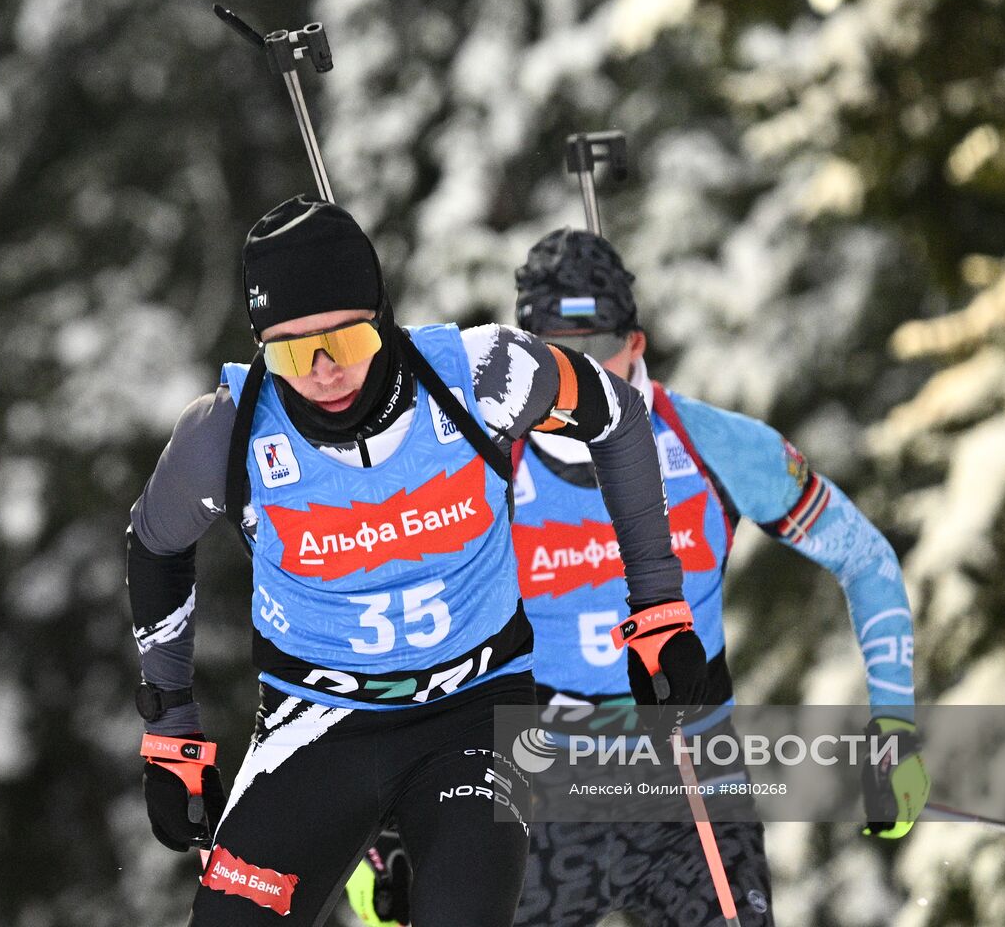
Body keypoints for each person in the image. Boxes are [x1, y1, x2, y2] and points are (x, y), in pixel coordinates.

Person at [126, 198, 711, 927]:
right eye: (291, 353)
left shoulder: (485, 375)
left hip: (476, 717)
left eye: (343, 341)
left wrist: (657, 607)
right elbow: (155, 544)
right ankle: (377, 859)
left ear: (382, 315)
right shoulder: (227, 432)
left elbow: (617, 417)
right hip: (316, 722)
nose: (323, 374)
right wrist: (170, 730)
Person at [347, 228, 930, 927]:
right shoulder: (475, 468)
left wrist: (894, 721)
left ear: (637, 344)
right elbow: (388, 641)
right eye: (558, 352)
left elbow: (864, 557)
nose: (583, 372)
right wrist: (379, 842)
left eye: (600, 347)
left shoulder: (712, 445)